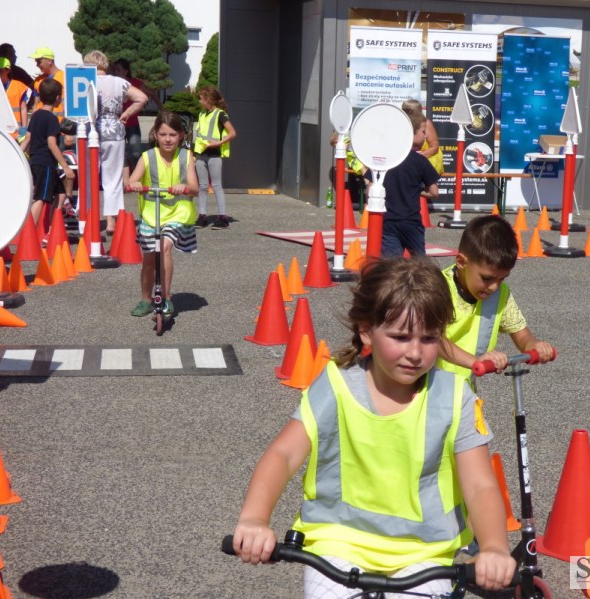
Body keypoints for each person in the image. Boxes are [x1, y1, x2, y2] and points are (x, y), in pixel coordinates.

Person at [232, 257, 516, 598]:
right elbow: (283, 454)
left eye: (429, 338)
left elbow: (480, 485)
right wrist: (254, 518)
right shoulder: (336, 385)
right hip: (338, 543)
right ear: (366, 330)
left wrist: (495, 547)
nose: (415, 353)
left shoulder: (455, 397)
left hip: (424, 553)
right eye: (400, 337)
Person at [437, 215, 554, 385]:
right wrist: (474, 361)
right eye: (487, 278)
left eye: (502, 279)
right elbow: (433, 339)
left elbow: (520, 332)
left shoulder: (499, 294)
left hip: (463, 391)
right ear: (462, 262)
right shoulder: (437, 290)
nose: (494, 287)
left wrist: (533, 345)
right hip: (427, 389)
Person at [128, 111, 199, 318]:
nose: (168, 139)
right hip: (152, 215)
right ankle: (145, 299)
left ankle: (166, 298)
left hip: (178, 213)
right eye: (163, 134)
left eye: (173, 135)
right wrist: (135, 184)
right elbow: (131, 181)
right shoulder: (147, 157)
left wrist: (184, 187)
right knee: (149, 259)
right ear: (155, 135)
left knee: (164, 247)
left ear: (181, 136)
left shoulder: (186, 157)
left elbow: (195, 188)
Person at [84, 50, 148, 235]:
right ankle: (111, 221)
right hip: (114, 130)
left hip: (91, 131)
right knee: (113, 178)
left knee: (89, 177)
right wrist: (126, 113)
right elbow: (142, 98)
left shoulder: (85, 81)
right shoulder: (119, 82)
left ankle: (89, 217)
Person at [363, 111, 439, 257]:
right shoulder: (420, 161)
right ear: (411, 133)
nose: (425, 136)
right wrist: (417, 190)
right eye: (423, 131)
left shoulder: (384, 159)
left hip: (388, 221)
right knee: (419, 262)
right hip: (411, 221)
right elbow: (434, 192)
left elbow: (370, 189)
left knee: (392, 264)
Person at [18, 78, 75, 230]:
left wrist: (18, 155)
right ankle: (27, 232)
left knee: (61, 193)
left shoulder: (36, 115)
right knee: (41, 198)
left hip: (35, 161)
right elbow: (52, 144)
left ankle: (50, 228)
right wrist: (65, 166)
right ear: (57, 98)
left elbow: (27, 138)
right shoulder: (52, 119)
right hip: (46, 164)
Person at [111, 58, 163, 181]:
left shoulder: (134, 83)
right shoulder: (112, 83)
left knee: (136, 153)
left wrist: (161, 108)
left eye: (118, 70)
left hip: (132, 124)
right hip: (117, 124)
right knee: (120, 154)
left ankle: (137, 177)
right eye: (115, 70)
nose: (116, 72)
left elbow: (152, 92)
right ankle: (124, 180)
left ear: (126, 71)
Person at [193, 86, 237, 230]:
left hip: (214, 155)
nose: (199, 101)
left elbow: (232, 133)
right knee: (202, 186)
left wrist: (218, 143)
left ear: (209, 99)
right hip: (201, 155)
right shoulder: (201, 114)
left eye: (201, 98)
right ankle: (202, 216)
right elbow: (198, 136)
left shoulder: (220, 114)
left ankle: (223, 217)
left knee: (217, 186)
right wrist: (194, 154)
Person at [401, 98, 444, 175]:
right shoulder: (401, 122)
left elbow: (434, 147)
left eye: (409, 111)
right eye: (405, 110)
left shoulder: (425, 123)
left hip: (426, 160)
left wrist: (416, 158)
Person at [0, 57, 31, 138]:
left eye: (0, 71)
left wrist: (24, 127)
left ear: (8, 70)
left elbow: (23, 108)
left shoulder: (19, 86)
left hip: (15, 131)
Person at [30, 47, 65, 121]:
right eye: (36, 62)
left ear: (49, 61)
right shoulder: (38, 81)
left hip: (60, 124)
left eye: (39, 62)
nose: (37, 65)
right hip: (42, 123)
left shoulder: (65, 78)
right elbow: (35, 104)